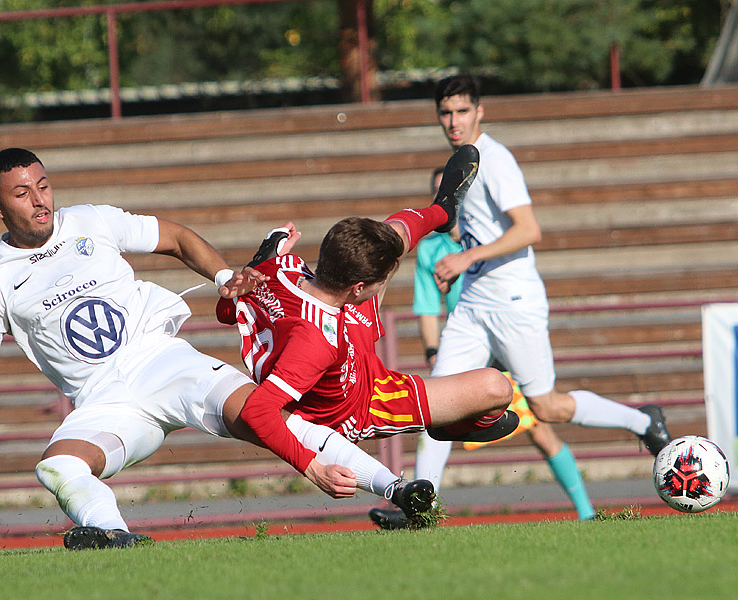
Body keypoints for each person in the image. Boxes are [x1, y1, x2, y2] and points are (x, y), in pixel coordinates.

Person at [0, 148, 436, 549]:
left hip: (163, 359)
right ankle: (112, 537)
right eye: (22, 194)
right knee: (57, 469)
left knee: (262, 415)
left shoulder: (91, 221)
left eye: (44, 185)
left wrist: (224, 274)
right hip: (105, 401)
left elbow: (173, 235)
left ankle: (400, 489)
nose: (39, 201)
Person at [413, 74, 671, 510]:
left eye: (462, 111)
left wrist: (467, 259)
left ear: (480, 111)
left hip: (514, 303)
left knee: (547, 407)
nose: (453, 120)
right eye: (446, 112)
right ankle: (420, 507)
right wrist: (465, 261)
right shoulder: (463, 160)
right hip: (475, 304)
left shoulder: (495, 160)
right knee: (436, 402)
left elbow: (530, 229)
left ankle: (641, 419)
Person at [216, 147, 520, 499]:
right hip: (362, 401)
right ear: (359, 288)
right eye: (381, 280)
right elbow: (258, 410)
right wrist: (314, 468)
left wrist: (242, 282)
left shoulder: (280, 268)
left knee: (388, 238)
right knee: (497, 389)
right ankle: (451, 423)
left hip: (335, 316)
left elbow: (230, 313)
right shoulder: (314, 343)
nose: (389, 277)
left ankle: (442, 211)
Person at [369, 165, 595, 529]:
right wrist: (433, 352)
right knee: (436, 416)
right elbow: (428, 308)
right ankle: (421, 511)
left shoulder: (486, 237)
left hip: (502, 340)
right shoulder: (432, 250)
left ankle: (587, 511)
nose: (449, 204)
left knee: (539, 427)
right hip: (466, 344)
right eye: (442, 197)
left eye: (454, 195)